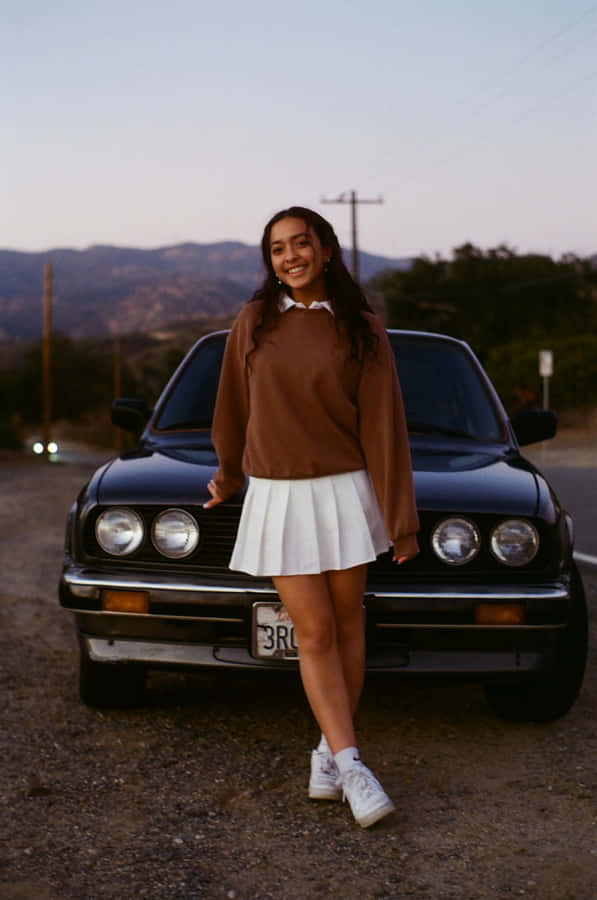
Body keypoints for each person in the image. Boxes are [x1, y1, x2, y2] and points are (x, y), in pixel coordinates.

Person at [204, 206, 419, 828]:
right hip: (279, 493)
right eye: (278, 249)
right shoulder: (254, 322)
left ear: (326, 249)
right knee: (316, 632)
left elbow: (385, 429)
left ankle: (328, 753)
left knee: (349, 625)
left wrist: (400, 518)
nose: (291, 256)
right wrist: (227, 473)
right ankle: (353, 765)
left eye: (302, 243)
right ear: (269, 261)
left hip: (346, 490)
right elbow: (232, 406)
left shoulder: (363, 329)